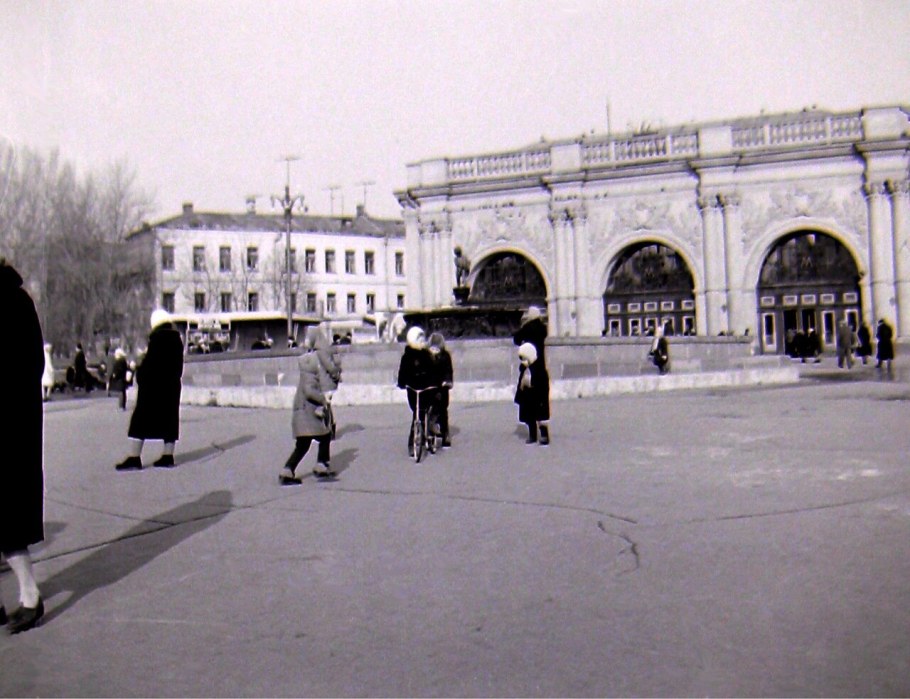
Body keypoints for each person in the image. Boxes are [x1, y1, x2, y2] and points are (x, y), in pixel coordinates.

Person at [0, 259, 46, 633]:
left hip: (9, 427)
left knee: (8, 517)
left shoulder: (13, 302)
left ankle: (31, 596)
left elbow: (27, 365)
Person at [115, 309, 184, 470]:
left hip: (153, 388)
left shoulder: (157, 339)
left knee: (140, 421)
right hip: (172, 387)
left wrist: (139, 372)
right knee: (170, 420)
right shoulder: (177, 340)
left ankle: (134, 458)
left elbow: (151, 366)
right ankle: (168, 456)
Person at [279, 340, 335, 484]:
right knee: (321, 437)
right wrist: (323, 399)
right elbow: (310, 391)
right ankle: (319, 467)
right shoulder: (310, 373)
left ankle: (289, 470)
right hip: (306, 416)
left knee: (309, 443)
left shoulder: (308, 372)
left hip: (305, 416)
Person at [396, 326, 436, 456]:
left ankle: (427, 434)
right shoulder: (407, 356)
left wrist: (434, 383)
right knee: (417, 414)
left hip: (426, 389)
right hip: (413, 389)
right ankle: (413, 441)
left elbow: (433, 371)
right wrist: (402, 383)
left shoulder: (427, 355)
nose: (422, 341)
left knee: (423, 412)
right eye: (419, 339)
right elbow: (403, 372)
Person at [514, 341, 550, 445]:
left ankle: (544, 435)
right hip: (528, 396)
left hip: (537, 396)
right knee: (529, 417)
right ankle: (532, 435)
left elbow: (541, 382)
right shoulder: (525, 368)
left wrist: (530, 383)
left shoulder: (538, 368)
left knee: (540, 417)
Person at [427, 332, 454, 447]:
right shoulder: (426, 356)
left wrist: (447, 381)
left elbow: (449, 370)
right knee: (427, 408)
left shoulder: (445, 356)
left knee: (443, 410)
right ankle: (427, 430)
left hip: (441, 387)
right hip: (429, 386)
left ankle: (445, 434)